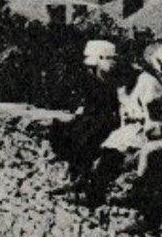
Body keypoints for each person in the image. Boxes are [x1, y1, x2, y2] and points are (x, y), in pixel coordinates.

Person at [48, 39, 126, 201]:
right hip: (93, 116)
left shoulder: (111, 79)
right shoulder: (92, 77)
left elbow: (113, 106)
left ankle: (82, 179)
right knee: (67, 132)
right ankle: (75, 176)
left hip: (106, 119)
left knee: (86, 137)